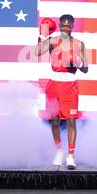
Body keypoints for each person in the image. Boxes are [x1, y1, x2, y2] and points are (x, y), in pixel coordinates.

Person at [35, 14, 88, 169]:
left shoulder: (79, 44)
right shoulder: (52, 41)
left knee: (71, 121)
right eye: (63, 25)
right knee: (55, 121)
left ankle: (71, 156)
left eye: (68, 25)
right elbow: (38, 51)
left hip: (70, 85)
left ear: (73, 25)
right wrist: (42, 34)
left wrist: (77, 61)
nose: (65, 28)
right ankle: (59, 151)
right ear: (59, 25)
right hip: (54, 85)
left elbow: (85, 69)